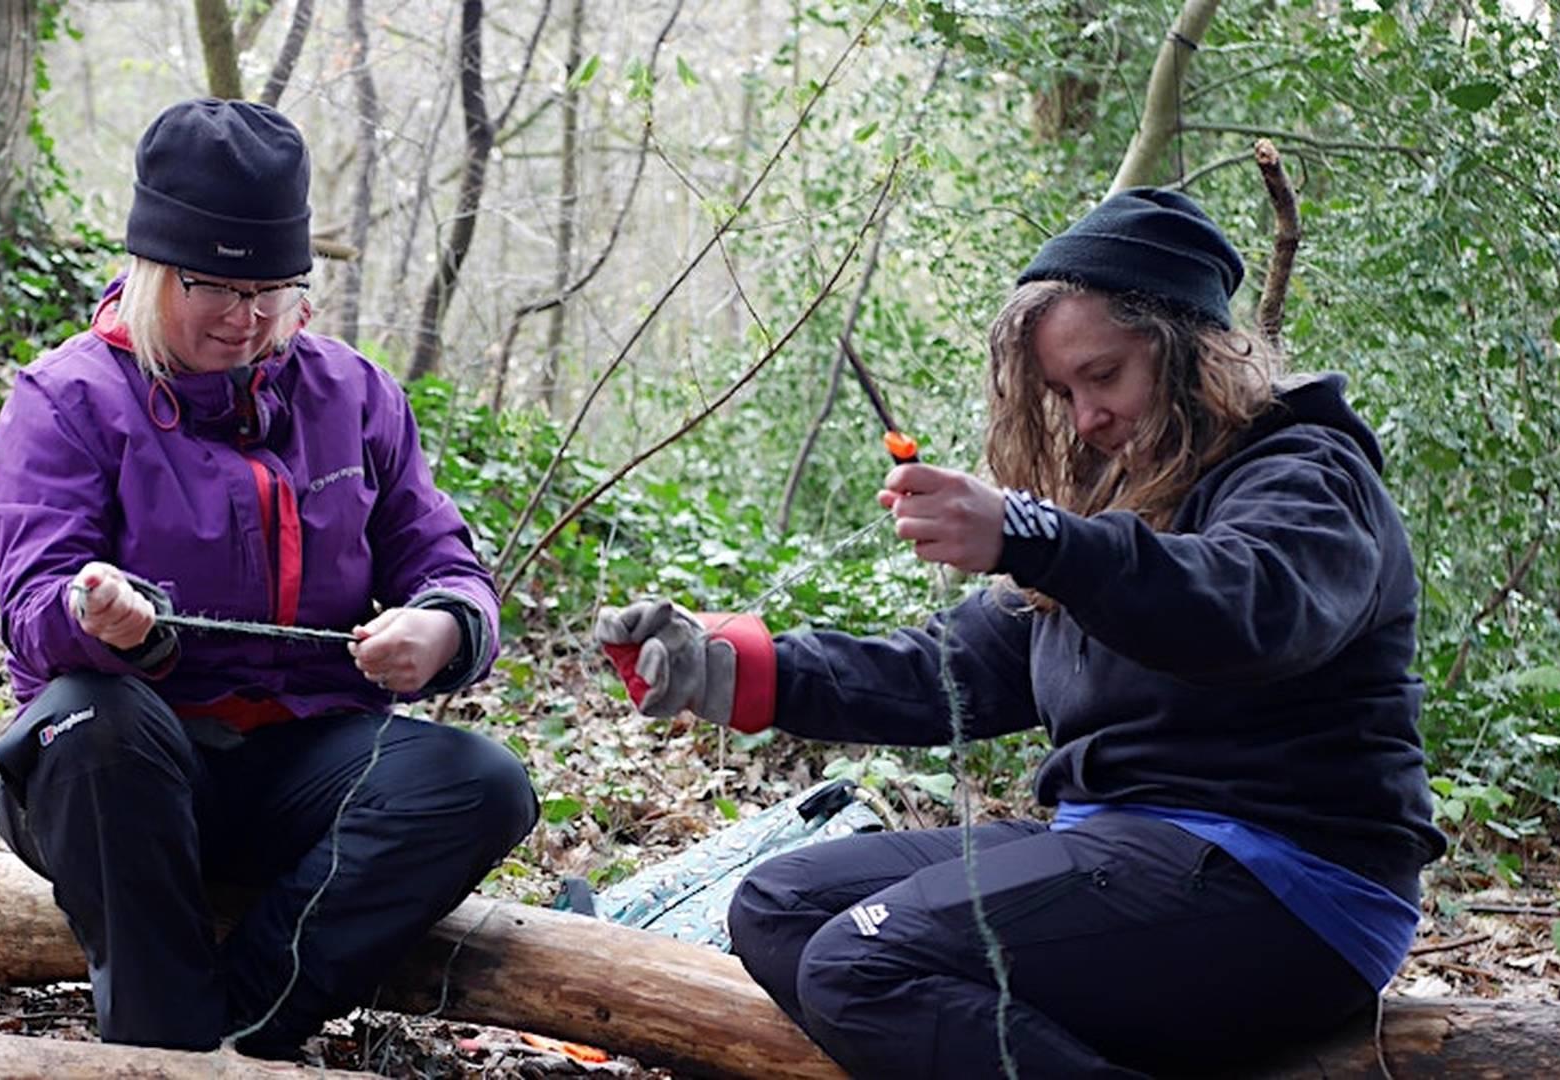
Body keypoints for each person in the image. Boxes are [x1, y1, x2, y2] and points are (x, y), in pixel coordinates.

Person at [596, 188, 1445, 1078]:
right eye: (1064, 391)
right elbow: (953, 666)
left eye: (1103, 375)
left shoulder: (1308, 474)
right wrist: (727, 669)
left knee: (863, 963)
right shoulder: (1116, 508)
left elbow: (1248, 611)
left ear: (1192, 347)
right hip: (1124, 849)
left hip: (1290, 885)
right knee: (780, 904)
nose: (1086, 418)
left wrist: (1031, 535)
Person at [0, 98, 536, 1058]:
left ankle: (237, 1034)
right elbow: (34, 605)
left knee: (481, 783)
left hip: (303, 767)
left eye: (278, 288)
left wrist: (443, 626)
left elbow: (444, 559)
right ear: (155, 271)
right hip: (120, 779)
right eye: (218, 291)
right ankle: (168, 1043)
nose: (250, 319)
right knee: (97, 723)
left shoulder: (353, 394)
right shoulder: (64, 400)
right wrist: (97, 616)